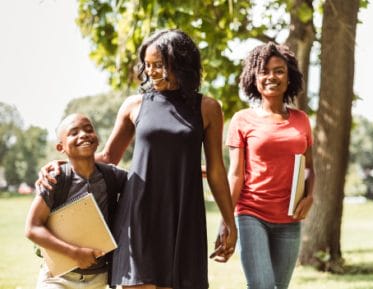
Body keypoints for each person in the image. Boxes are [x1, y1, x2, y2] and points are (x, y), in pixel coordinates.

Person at [37, 29, 237, 289]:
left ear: (179, 63)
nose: (151, 72)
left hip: (183, 214)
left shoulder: (208, 108)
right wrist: (64, 163)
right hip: (139, 214)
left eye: (158, 65)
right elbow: (108, 157)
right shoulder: (135, 105)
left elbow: (216, 170)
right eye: (148, 65)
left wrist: (229, 221)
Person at [226, 42, 315, 289]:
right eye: (264, 71)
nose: (271, 77)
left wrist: (310, 196)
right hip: (251, 214)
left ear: (289, 78)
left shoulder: (302, 120)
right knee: (262, 286)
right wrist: (227, 219)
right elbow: (235, 174)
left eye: (279, 71)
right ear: (253, 78)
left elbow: (309, 167)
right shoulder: (242, 120)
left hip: (289, 219)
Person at [25, 113, 127, 289]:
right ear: (61, 147)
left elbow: (145, 186)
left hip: (99, 279)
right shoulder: (55, 179)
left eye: (89, 129)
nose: (83, 135)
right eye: (74, 133)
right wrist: (75, 253)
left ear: (97, 138)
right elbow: (32, 228)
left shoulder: (112, 176)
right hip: (57, 278)